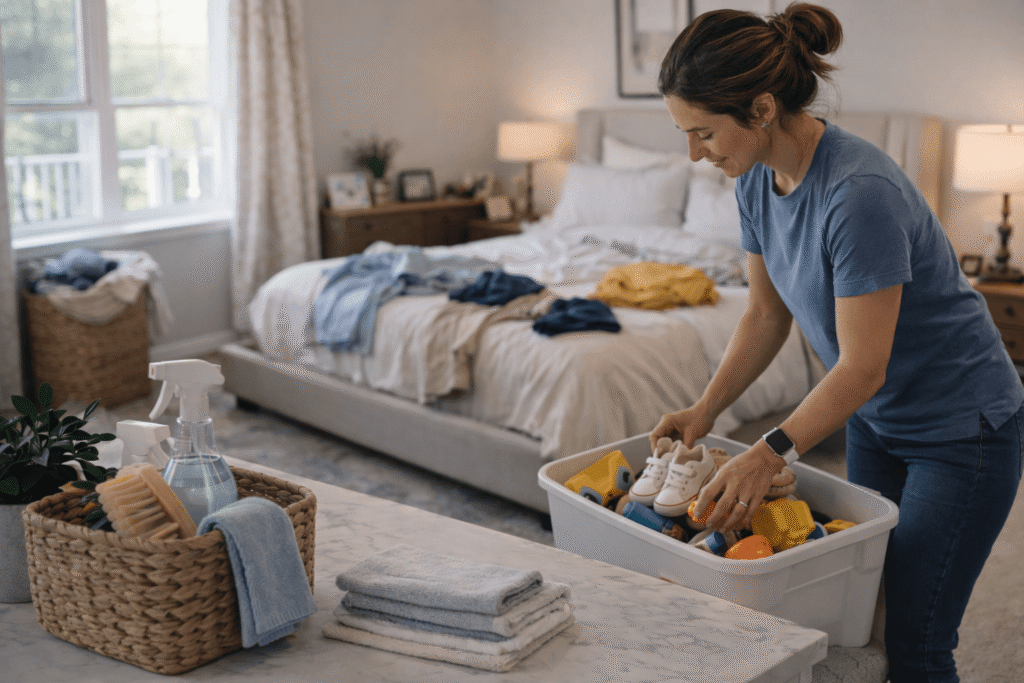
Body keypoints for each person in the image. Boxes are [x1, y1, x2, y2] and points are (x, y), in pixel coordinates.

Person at [648, 3, 1023, 681]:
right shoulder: (755, 178)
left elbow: (862, 365)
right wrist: (704, 411)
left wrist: (770, 451)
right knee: (867, 615)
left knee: (919, 638)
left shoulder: (859, 194)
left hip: (962, 428)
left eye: (702, 133)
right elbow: (766, 314)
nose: (695, 154)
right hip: (877, 424)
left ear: (762, 109)